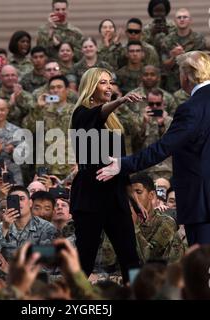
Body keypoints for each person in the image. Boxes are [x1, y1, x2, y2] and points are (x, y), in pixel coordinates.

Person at [97, 51, 210, 256]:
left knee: (208, 267)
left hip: (205, 203)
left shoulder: (191, 108)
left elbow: (164, 147)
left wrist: (122, 164)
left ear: (187, 75)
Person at [69, 67, 142, 282]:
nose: (108, 86)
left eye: (110, 82)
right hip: (90, 196)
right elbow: (97, 115)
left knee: (130, 257)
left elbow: (121, 165)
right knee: (85, 260)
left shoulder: (113, 122)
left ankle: (137, 294)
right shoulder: (81, 114)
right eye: (102, 82)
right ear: (90, 87)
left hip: (116, 196)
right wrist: (120, 101)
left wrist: (134, 200)